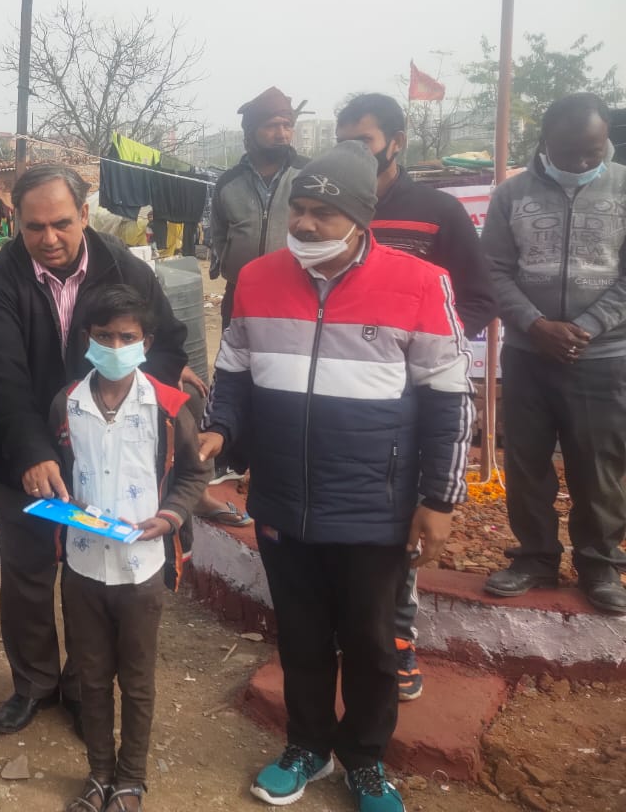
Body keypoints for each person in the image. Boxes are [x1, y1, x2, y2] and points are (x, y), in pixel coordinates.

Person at [200, 142, 473, 811]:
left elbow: (449, 398)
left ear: (360, 218)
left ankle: (366, 760)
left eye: (323, 212)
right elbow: (232, 372)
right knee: (300, 635)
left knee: (373, 645)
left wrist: (439, 498)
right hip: (283, 498)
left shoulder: (419, 284)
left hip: (375, 503)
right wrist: (220, 430)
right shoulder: (257, 278)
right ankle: (308, 746)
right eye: (298, 208)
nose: (305, 223)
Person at [0, 163, 188, 737]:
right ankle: (33, 684)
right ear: (16, 222)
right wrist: (33, 451)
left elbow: (168, 348)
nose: (49, 238)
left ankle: (80, 686)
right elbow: (0, 376)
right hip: (26, 452)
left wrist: (131, 414)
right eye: (34, 226)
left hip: (108, 454)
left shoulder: (125, 269)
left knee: (93, 577)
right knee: (28, 573)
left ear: (85, 215)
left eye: (62, 223)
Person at [337, 92, 499, 701]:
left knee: (397, 516)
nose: (353, 152)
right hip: (337, 398)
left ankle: (397, 638)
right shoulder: (328, 208)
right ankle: (347, 632)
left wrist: (427, 348)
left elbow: (479, 298)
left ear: (396, 142)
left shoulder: (435, 212)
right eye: (343, 141)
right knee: (346, 515)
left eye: (364, 141)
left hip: (407, 401)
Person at [51, 285, 208, 812]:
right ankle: (99, 773)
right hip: (82, 567)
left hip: (142, 571)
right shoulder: (66, 404)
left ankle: (131, 779)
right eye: (103, 337)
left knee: (137, 681)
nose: (114, 346)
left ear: (146, 342)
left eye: (126, 337)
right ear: (86, 339)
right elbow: (56, 472)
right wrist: (56, 497)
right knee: (91, 677)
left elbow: (193, 473)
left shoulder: (169, 406)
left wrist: (170, 516)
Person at [481, 93, 626, 615]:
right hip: (528, 352)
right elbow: (493, 269)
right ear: (545, 143)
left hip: (603, 356)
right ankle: (536, 558)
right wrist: (535, 324)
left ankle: (600, 566)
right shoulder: (511, 194)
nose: (583, 163)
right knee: (526, 464)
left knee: (599, 468)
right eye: (570, 153)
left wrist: (584, 328)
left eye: (594, 151)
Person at [204, 87, 309, 517]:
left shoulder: (307, 175)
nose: (282, 132)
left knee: (288, 373)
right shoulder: (228, 183)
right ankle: (233, 455)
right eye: (272, 125)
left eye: (287, 124)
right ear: (250, 132)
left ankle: (284, 456)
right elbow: (217, 231)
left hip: (297, 292)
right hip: (242, 292)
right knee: (236, 370)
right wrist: (223, 262)